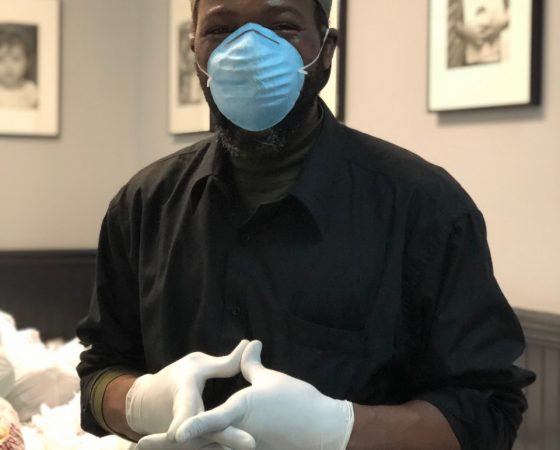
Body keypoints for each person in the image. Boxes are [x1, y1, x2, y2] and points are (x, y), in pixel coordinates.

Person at [77, 0, 535, 449]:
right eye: (220, 30)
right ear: (195, 52)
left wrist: (339, 429)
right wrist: (139, 402)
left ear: (326, 50)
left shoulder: (425, 208)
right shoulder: (144, 205)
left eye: (282, 26)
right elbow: (100, 375)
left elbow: (487, 412)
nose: (249, 50)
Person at [0, 27, 38, 109]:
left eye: (16, 59)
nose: (8, 66)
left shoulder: (31, 91)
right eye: (1, 59)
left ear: (28, 62)